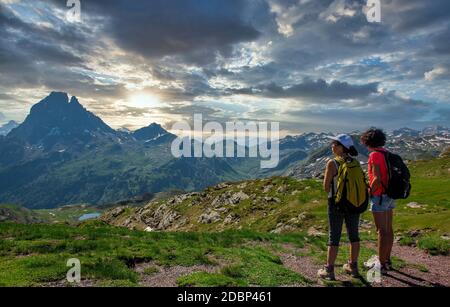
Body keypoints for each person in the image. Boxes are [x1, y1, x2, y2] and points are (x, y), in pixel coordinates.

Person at [317, 134, 361, 280]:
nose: (332, 146)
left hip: (336, 203)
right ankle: (353, 267)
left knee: (334, 236)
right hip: (354, 203)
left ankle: (329, 270)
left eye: (335, 143)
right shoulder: (355, 162)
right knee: (353, 235)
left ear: (342, 147)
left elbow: (325, 187)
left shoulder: (332, 163)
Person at [360, 128, 394, 274]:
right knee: (388, 229)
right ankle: (387, 260)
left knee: (381, 231)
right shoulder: (386, 153)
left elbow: (377, 178)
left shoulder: (374, 155)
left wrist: (370, 191)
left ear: (368, 141)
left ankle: (379, 265)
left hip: (379, 196)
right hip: (390, 194)